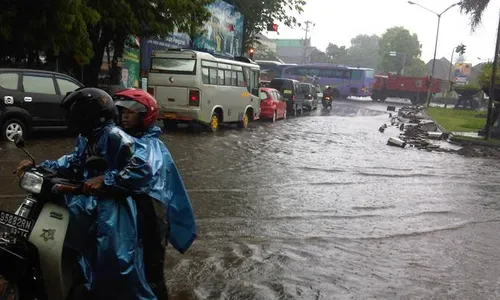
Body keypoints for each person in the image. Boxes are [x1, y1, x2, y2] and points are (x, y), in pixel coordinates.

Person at [16, 87, 156, 300]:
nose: (71, 118)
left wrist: (107, 179)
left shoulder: (114, 136)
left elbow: (143, 168)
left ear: (88, 115)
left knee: (117, 264)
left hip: (113, 208)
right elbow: (73, 162)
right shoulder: (86, 136)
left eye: (75, 113)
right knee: (81, 255)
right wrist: (40, 167)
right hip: (88, 200)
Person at [113, 88, 197, 299]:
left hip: (151, 212)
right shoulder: (116, 140)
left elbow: (139, 174)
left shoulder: (152, 146)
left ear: (144, 116)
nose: (124, 116)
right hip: (127, 211)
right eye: (122, 111)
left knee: (152, 268)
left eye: (130, 112)